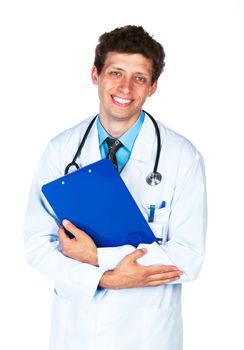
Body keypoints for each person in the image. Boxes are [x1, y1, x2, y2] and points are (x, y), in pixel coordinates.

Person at [24, 25, 207, 350]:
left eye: (139, 77)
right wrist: (107, 278)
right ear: (96, 75)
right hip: (77, 330)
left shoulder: (183, 158)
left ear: (152, 87)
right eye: (116, 72)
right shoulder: (61, 150)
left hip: (148, 334)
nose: (125, 87)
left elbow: (188, 258)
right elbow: (37, 245)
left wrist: (96, 256)